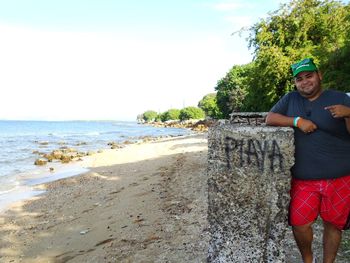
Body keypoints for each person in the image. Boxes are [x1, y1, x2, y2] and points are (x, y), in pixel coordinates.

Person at [265, 58, 350, 263]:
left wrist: (349, 113)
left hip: (341, 176)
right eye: (299, 79)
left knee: (333, 225)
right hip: (304, 178)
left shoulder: (340, 98)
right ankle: (308, 259)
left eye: (309, 76)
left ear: (319, 75)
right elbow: (270, 118)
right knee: (299, 223)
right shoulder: (290, 99)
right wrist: (297, 121)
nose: (305, 82)